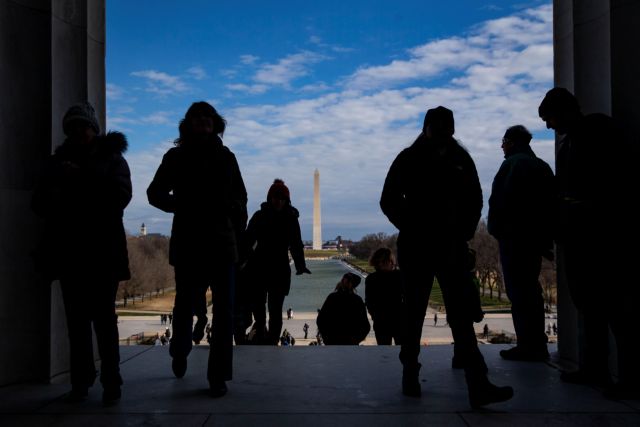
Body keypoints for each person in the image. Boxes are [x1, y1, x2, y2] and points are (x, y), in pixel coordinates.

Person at [380, 105, 513, 408]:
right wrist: (412, 226)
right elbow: (388, 199)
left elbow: (476, 198)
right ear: (426, 127)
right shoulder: (409, 158)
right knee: (413, 311)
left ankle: (477, 383)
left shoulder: (460, 159)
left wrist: (464, 232)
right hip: (417, 245)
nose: (442, 131)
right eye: (436, 126)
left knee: (461, 316)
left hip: (450, 245)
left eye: (446, 126)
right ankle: (410, 372)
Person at [538, 88, 640, 399]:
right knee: (589, 305)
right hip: (579, 233)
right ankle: (594, 367)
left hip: (602, 233)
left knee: (615, 309)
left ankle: (629, 378)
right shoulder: (573, 140)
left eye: (550, 118)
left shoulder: (598, 132)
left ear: (564, 111)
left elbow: (617, 181)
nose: (548, 126)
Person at [31, 101, 131, 405]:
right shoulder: (56, 163)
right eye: (73, 127)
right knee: (76, 323)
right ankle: (81, 380)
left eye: (83, 126)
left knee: (103, 320)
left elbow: (120, 196)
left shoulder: (113, 159)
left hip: (102, 252)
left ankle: (111, 379)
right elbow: (38, 204)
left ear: (94, 129)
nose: (78, 131)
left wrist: (80, 179)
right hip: (70, 251)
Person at [147, 101, 247, 398]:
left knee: (225, 312)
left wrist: (235, 224)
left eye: (208, 117)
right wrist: (183, 206)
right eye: (197, 117)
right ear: (188, 123)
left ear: (215, 123)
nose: (203, 121)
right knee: (184, 306)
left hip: (221, 243)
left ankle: (218, 376)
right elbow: (154, 193)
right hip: (190, 242)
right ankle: (180, 349)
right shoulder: (176, 157)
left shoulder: (227, 157)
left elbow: (241, 197)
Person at [487, 125, 555, 362]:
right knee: (531, 290)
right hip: (534, 240)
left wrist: (496, 230)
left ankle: (528, 345)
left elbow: (500, 202)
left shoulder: (512, 164)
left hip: (514, 238)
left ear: (513, 142)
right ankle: (537, 344)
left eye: (504, 140)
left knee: (519, 292)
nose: (501, 145)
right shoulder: (542, 166)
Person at [243, 179, 311, 345]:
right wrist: (244, 257)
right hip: (260, 265)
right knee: (258, 306)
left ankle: (272, 339)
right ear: (270, 198)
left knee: (275, 308)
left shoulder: (291, 219)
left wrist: (300, 265)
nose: (279, 201)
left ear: (287, 200)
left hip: (278, 267)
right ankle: (261, 333)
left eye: (282, 198)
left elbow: (296, 243)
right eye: (276, 198)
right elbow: (247, 239)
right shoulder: (261, 216)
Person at [317, 272, 370, 345]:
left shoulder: (332, 297)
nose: (346, 281)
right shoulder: (357, 300)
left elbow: (321, 320)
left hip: (332, 341)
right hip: (349, 342)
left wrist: (327, 338)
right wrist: (356, 340)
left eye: (348, 280)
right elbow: (365, 326)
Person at [364, 248, 403, 345]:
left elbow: (369, 302)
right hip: (399, 320)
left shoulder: (371, 278)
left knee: (385, 352)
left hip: (381, 321)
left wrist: (375, 316)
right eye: (390, 261)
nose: (392, 263)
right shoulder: (399, 276)